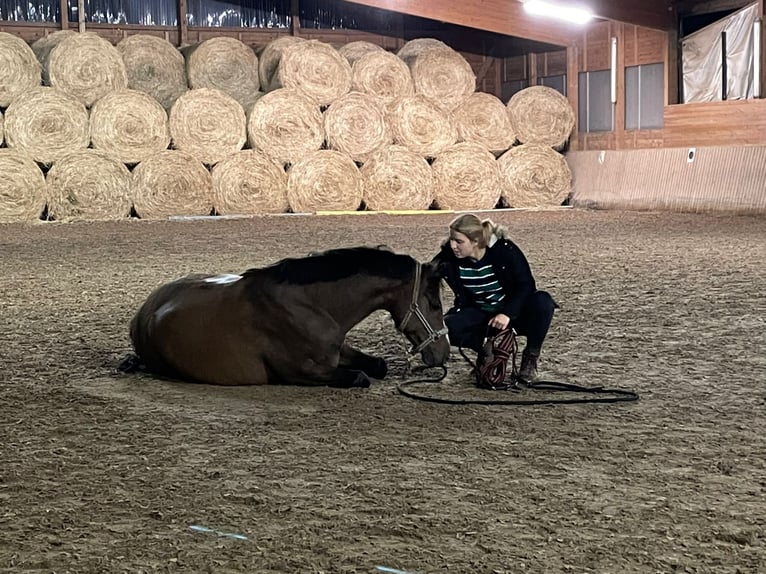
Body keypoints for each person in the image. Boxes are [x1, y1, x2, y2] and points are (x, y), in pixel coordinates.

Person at [432, 213, 558, 383]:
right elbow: (425, 274)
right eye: (452, 240)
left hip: (512, 313)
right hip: (479, 312)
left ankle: (530, 359)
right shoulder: (449, 256)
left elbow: (526, 285)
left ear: (475, 241)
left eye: (459, 242)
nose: (453, 245)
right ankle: (485, 349)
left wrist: (507, 313)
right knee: (443, 329)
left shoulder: (505, 251)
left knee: (543, 301)